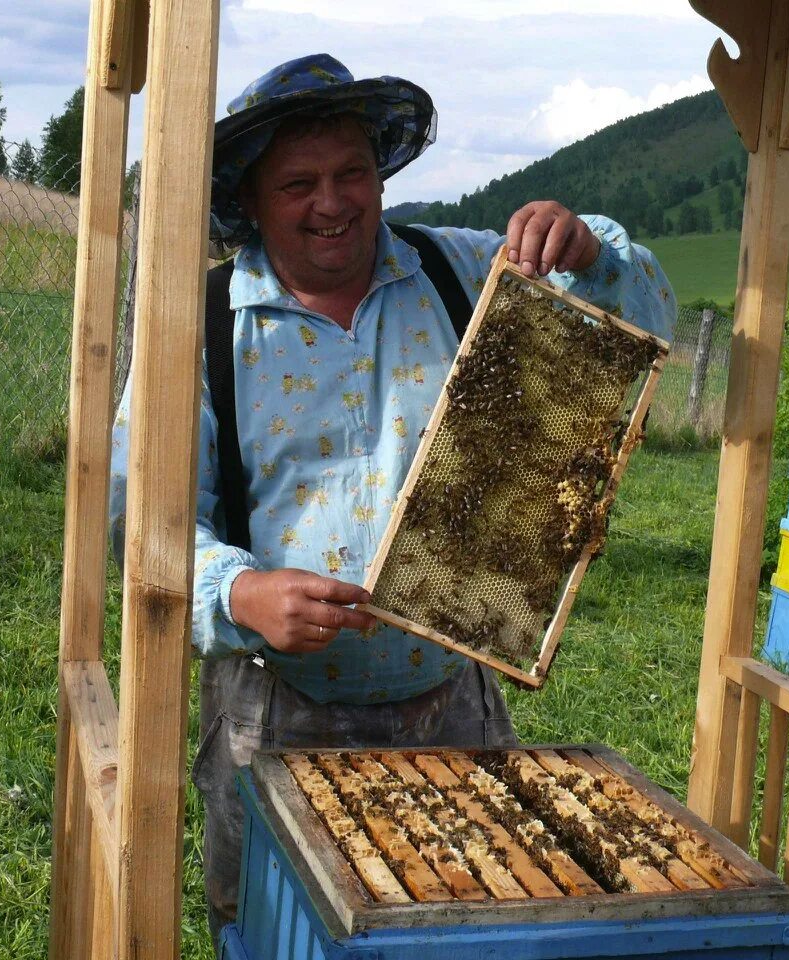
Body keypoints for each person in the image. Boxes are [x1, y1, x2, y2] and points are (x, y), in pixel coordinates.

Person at [108, 53, 677, 947]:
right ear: (251, 202)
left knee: (457, 926)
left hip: (452, 696)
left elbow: (643, 312)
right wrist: (236, 591)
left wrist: (589, 249)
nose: (332, 202)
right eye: (298, 183)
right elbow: (140, 515)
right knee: (269, 928)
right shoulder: (204, 322)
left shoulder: (462, 271)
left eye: (353, 174)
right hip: (273, 705)